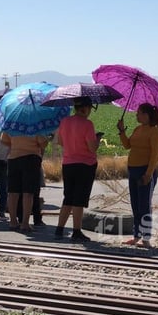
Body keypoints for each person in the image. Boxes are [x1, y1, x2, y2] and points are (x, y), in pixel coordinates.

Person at [54, 97, 100, 242]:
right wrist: (97, 139)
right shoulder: (88, 124)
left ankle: (59, 229)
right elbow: (92, 148)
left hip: (68, 163)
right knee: (79, 200)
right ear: (85, 108)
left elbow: (60, 142)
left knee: (68, 197)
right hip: (85, 165)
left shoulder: (65, 122)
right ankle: (76, 231)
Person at [117, 103, 158, 248]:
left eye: (139, 113)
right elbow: (127, 145)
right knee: (135, 205)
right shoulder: (138, 129)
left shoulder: (154, 132)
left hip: (145, 172)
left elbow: (155, 155)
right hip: (133, 170)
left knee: (144, 205)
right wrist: (122, 131)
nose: (137, 115)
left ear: (147, 115)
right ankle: (136, 236)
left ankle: (146, 238)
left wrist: (148, 174)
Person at [0, 130, 48, 233]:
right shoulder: (34, 124)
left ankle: (13, 222)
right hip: (31, 158)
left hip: (13, 158)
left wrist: (15, 145)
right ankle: (25, 224)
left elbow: (3, 140)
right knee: (28, 192)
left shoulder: (12, 123)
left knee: (13, 192)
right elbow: (43, 143)